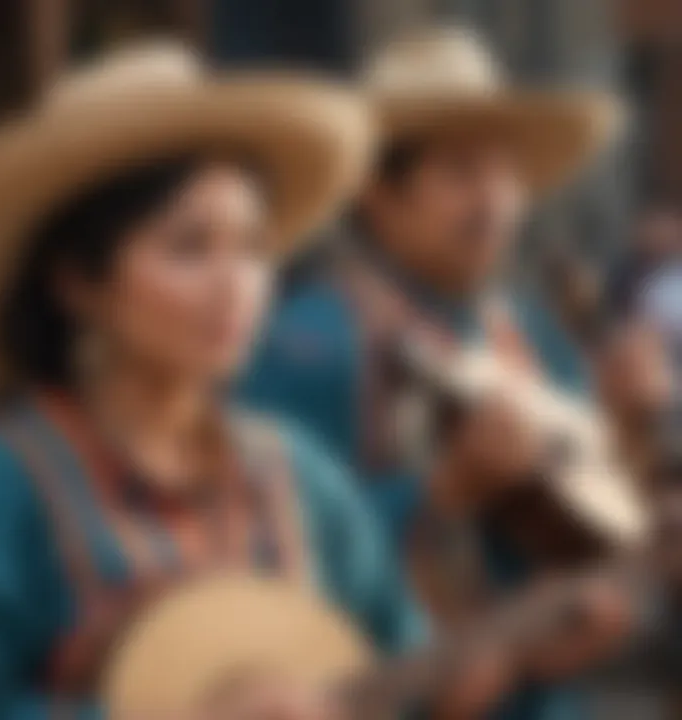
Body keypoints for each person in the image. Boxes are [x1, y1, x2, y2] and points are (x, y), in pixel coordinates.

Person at [0, 42, 440, 719]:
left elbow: (401, 655)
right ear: (76, 284)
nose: (235, 287)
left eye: (252, 248)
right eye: (189, 248)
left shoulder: (297, 475)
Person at [242, 27, 630, 718]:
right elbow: (274, 553)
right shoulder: (307, 343)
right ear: (376, 194)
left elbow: (598, 508)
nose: (496, 203)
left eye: (505, 173)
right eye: (460, 174)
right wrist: (445, 493)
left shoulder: (527, 328)